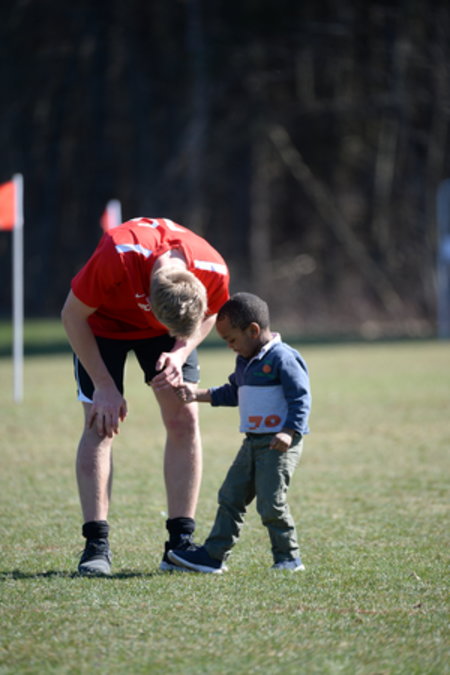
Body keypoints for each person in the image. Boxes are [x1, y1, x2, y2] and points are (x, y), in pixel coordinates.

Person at [61, 217, 229, 576]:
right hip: (101, 326)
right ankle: (96, 546)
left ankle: (180, 545)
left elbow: (212, 311)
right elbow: (72, 315)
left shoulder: (213, 267)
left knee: (184, 418)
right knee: (100, 423)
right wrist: (104, 386)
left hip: (169, 335)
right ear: (147, 301)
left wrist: (180, 352)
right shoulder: (118, 254)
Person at [168, 292, 311, 573]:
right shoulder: (246, 361)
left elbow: (300, 398)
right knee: (230, 496)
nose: (230, 346)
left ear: (253, 330)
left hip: (278, 444)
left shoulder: (283, 358)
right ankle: (213, 556)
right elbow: (234, 392)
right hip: (252, 442)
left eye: (231, 340)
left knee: (271, 504)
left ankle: (288, 558)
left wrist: (288, 431)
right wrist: (196, 394)